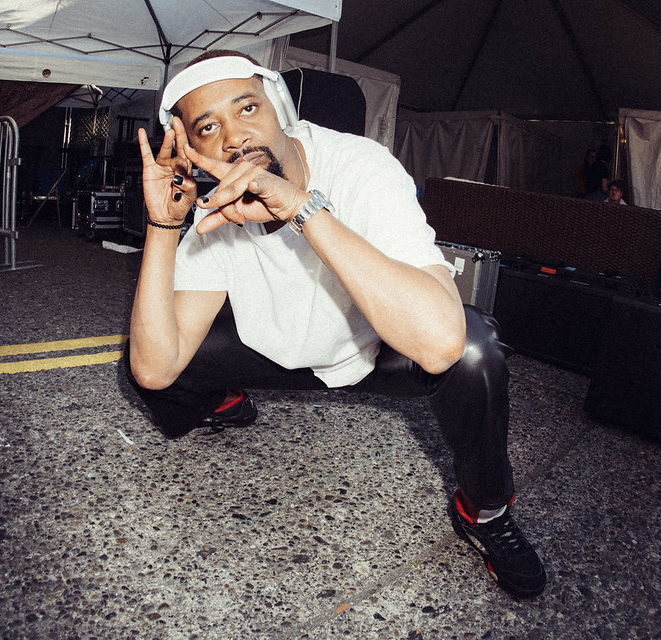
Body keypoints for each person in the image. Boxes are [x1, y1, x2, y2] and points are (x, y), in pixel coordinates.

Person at [126, 50, 546, 599]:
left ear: (279, 107)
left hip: (374, 349)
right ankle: (224, 401)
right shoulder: (213, 212)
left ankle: (483, 513)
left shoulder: (360, 165)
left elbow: (440, 341)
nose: (234, 137)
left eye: (247, 108)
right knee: (148, 343)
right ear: (190, 149)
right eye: (208, 127)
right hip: (276, 354)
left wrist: (300, 208)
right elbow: (155, 368)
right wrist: (163, 224)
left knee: (473, 351)